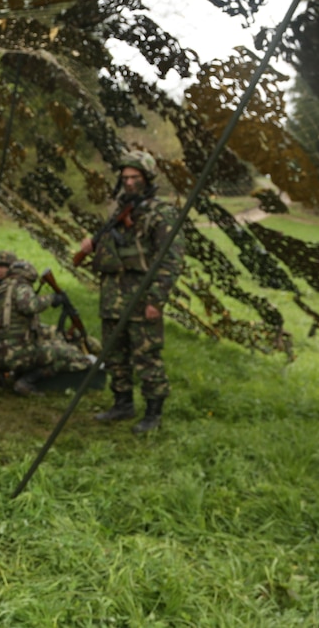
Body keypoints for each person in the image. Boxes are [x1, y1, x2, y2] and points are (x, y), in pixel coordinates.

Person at [77, 150, 184, 433]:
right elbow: (117, 249)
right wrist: (94, 246)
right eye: (125, 177)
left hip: (141, 297)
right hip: (113, 296)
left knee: (147, 356)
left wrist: (156, 300)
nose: (129, 182)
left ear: (147, 178)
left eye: (135, 177)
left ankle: (153, 413)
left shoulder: (162, 213)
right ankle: (122, 403)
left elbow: (171, 260)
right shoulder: (122, 212)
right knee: (114, 354)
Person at [0, 251, 94, 396]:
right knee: (66, 353)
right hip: (17, 355)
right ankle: (27, 381)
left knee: (43, 339)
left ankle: (0, 372)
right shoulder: (21, 286)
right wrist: (51, 299)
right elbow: (29, 306)